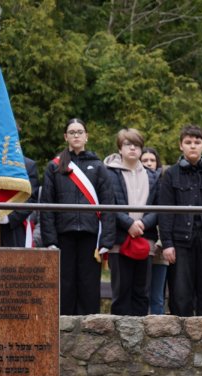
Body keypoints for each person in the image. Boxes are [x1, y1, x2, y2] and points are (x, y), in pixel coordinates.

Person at [40, 118, 115, 315]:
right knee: (65, 283)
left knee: (89, 283)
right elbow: (46, 206)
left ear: (86, 136)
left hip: (90, 235)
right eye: (72, 132)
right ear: (66, 137)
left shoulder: (98, 166)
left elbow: (108, 203)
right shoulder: (54, 167)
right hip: (64, 234)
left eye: (79, 132)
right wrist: (50, 240)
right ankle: (64, 328)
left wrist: (106, 238)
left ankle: (89, 328)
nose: (76, 135)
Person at [157, 124, 202, 317]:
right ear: (181, 146)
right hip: (180, 242)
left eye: (197, 142)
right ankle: (181, 341)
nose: (193, 146)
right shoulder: (171, 174)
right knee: (180, 295)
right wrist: (167, 244)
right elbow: (164, 212)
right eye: (188, 142)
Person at [104, 128, 159, 316]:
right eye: (128, 144)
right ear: (120, 148)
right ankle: (119, 338)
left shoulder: (153, 176)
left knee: (142, 292)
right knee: (121, 291)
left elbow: (158, 206)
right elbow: (108, 204)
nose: (133, 148)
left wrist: (143, 224)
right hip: (119, 239)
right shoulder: (109, 173)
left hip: (145, 239)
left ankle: (141, 337)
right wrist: (129, 224)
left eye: (136, 145)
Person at [141, 147, 168, 314]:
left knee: (157, 295)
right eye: (145, 160)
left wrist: (161, 242)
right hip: (139, 246)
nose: (149, 164)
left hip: (160, 249)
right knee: (142, 291)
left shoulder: (163, 183)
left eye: (152, 160)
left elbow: (165, 216)